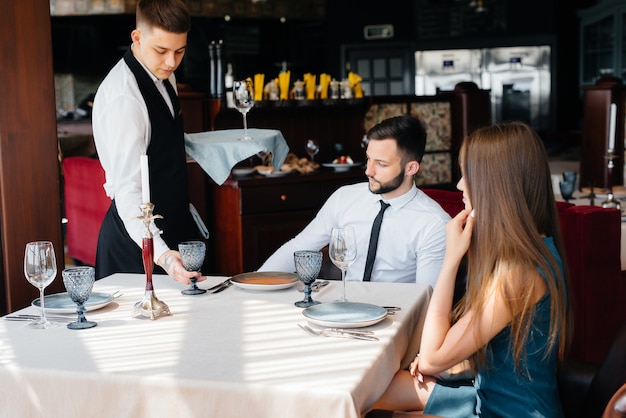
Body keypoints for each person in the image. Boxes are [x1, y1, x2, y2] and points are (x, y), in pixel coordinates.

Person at [370, 121, 571, 417]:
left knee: (377, 402)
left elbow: (430, 358)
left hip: (507, 412)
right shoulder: (535, 250)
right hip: (485, 395)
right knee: (372, 390)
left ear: (496, 185)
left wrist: (451, 259)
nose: (460, 186)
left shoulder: (518, 273)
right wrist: (447, 363)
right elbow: (496, 353)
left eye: (467, 176)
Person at [258, 115, 450, 286]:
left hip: (398, 316)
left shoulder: (434, 223)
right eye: (368, 159)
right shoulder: (345, 198)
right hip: (342, 310)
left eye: (381, 164)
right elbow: (298, 248)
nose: (368, 171)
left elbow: (428, 297)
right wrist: (257, 283)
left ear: (411, 168)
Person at [92, 0, 204, 285]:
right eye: (161, 50)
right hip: (136, 247)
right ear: (137, 38)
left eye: (180, 51)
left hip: (173, 229)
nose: (171, 61)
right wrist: (164, 255)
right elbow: (128, 189)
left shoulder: (163, 72)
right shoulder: (124, 99)